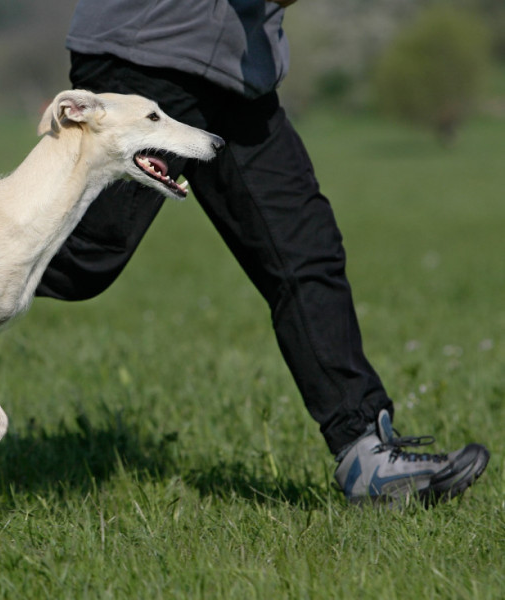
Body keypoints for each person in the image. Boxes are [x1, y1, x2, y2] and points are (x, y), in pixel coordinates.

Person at [35, 0, 489, 503]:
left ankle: (367, 455)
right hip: (148, 56)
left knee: (304, 252)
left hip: (235, 69)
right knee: (81, 259)